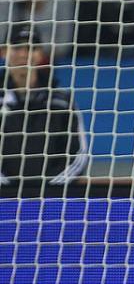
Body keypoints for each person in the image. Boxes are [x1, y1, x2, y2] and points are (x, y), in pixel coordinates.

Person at [0, 22, 89, 188]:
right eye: (17, 48)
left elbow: (78, 155)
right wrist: (9, 190)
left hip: (52, 198)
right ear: (4, 52)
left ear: (40, 54)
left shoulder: (62, 100)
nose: (23, 54)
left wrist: (48, 190)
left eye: (31, 48)